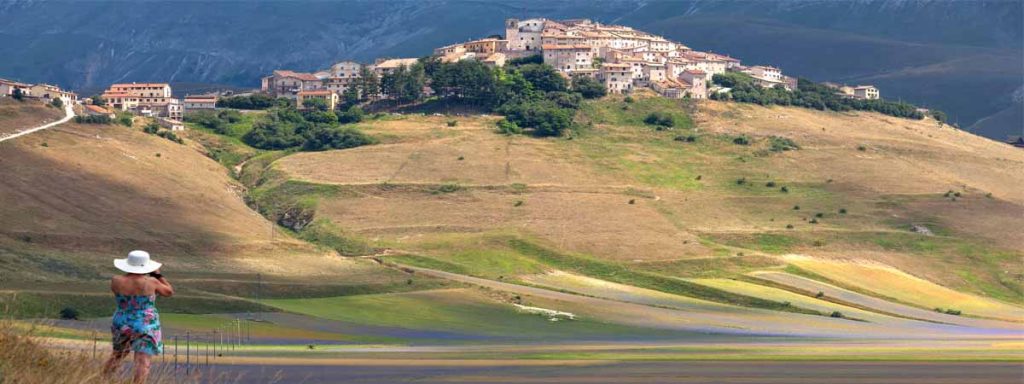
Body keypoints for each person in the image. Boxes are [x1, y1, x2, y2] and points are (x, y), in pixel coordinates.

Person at [102, 250, 174, 383]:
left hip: (122, 321)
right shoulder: (152, 282)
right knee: (142, 360)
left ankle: (102, 380)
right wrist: (158, 274)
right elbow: (169, 291)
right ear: (146, 266)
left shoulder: (116, 280)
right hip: (145, 323)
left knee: (118, 354)